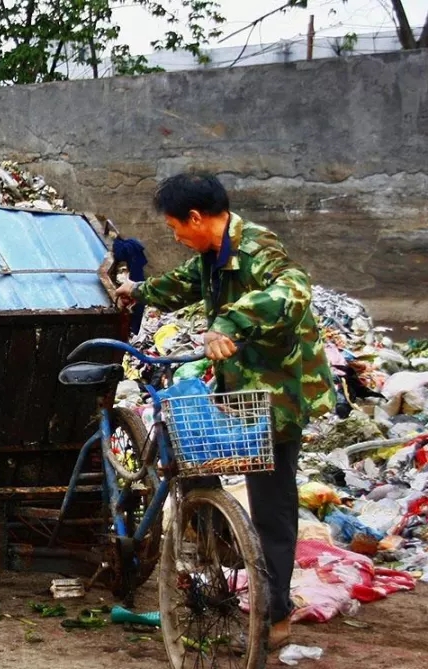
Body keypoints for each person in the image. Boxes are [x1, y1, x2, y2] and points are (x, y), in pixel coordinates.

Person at [115, 172, 335, 649]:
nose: (175, 236)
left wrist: (229, 322)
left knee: (272, 505)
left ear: (196, 217)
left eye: (175, 227)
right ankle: (227, 549)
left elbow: (294, 290)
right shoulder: (211, 255)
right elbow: (184, 284)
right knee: (198, 465)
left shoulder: (257, 248)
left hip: (278, 395)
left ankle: (275, 614)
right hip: (240, 389)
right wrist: (140, 291)